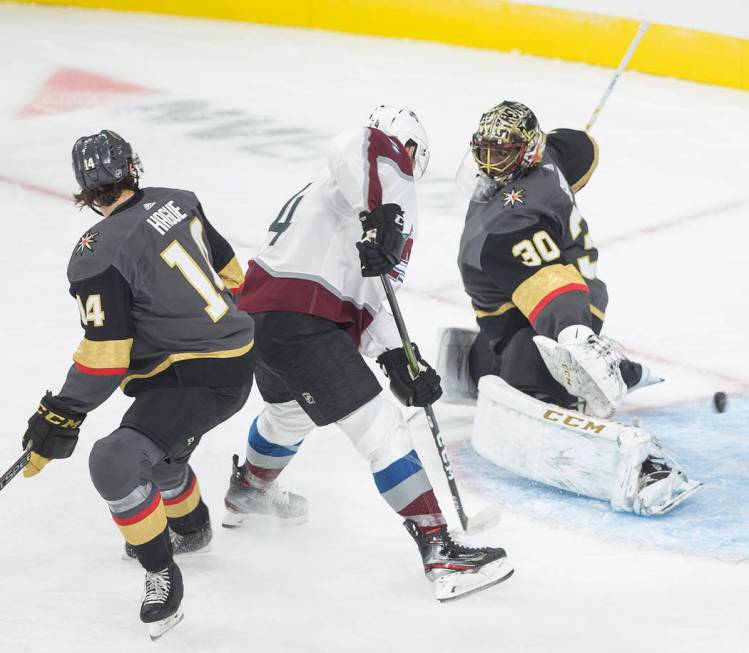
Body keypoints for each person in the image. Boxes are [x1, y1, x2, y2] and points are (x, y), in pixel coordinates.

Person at [222, 106, 513, 601]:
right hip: (302, 320)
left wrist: (400, 356)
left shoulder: (337, 199)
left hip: (261, 319)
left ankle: (249, 490)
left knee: (288, 415)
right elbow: (359, 142)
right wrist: (387, 215)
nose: (406, 166)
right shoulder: (376, 165)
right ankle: (440, 549)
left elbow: (370, 296)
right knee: (382, 432)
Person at [20, 130, 255, 638]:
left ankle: (161, 571)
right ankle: (191, 528)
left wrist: (60, 413)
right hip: (227, 363)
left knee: (117, 459)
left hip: (195, 377)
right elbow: (233, 275)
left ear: (84, 189)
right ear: (132, 169)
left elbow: (106, 359)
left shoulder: (95, 252)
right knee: (160, 444)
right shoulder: (180, 199)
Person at [444, 101, 701, 515]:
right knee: (513, 334)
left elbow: (551, 287)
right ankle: (500, 357)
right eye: (484, 152)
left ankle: (550, 389)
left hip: (553, 315)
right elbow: (583, 148)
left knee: (528, 354)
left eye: (502, 154)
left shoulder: (514, 225)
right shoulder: (549, 157)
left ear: (526, 151)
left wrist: (574, 338)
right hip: (534, 300)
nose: (491, 166)